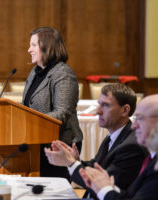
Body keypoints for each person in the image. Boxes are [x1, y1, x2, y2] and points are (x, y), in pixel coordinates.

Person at [44, 83, 148, 199]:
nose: (98, 111)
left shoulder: (132, 147)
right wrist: (75, 159)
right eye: (99, 104)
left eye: (106, 105)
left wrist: (71, 163)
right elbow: (96, 167)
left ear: (125, 110)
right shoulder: (114, 136)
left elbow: (100, 185)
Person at [22, 27, 83, 178]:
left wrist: (31, 123)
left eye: (33, 45)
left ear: (46, 46)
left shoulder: (63, 73)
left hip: (59, 145)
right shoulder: (35, 72)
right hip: (37, 142)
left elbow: (62, 112)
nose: (29, 50)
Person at [79, 94, 158, 200]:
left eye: (139, 118)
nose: (134, 125)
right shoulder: (153, 159)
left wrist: (104, 189)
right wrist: (108, 187)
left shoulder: (135, 149)